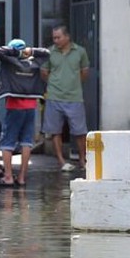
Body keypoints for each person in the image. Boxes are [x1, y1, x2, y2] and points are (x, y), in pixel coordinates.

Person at [0, 39, 50, 187]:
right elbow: (47, 53)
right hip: (30, 107)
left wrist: (15, 52)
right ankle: (22, 178)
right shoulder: (33, 63)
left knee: (7, 142)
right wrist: (30, 51)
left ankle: (8, 177)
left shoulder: (9, 62)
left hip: (14, 107)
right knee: (26, 142)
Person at [41, 25, 89, 171]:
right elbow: (44, 72)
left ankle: (82, 159)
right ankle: (61, 161)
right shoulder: (49, 52)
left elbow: (84, 72)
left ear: (67, 37)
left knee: (80, 131)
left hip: (74, 97)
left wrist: (72, 83)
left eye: (58, 37)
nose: (55, 40)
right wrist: (55, 84)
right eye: (54, 37)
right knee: (55, 131)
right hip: (54, 97)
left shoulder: (80, 51)